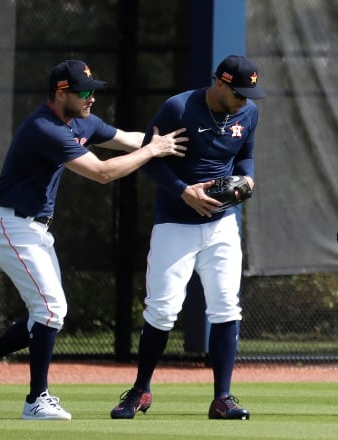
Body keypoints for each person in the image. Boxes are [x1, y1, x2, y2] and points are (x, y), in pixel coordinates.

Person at [0, 59, 188, 420]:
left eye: (94, 91)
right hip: (10, 225)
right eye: (85, 91)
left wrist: (162, 142)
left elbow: (126, 139)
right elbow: (102, 172)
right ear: (61, 92)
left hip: (34, 229)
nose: (92, 98)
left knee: (49, 312)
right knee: (50, 310)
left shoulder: (81, 121)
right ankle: (36, 399)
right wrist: (152, 151)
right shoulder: (43, 128)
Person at [109, 55, 266, 420]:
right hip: (175, 224)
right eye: (240, 93)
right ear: (220, 84)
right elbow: (150, 158)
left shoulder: (249, 114)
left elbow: (246, 158)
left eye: (249, 93)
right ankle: (140, 390)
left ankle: (222, 398)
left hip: (222, 225)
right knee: (162, 311)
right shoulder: (179, 108)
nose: (245, 100)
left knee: (226, 307)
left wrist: (248, 181)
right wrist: (183, 190)